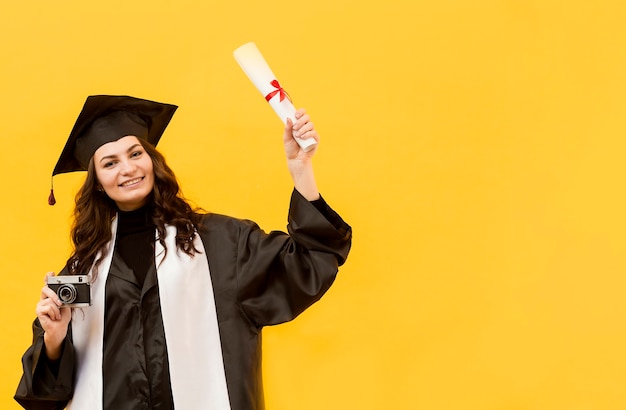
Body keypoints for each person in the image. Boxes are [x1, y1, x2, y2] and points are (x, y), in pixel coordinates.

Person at [14, 95, 352, 410]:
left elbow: (309, 260)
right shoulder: (83, 268)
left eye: (135, 154)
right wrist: (55, 339)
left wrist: (301, 168)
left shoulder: (220, 242)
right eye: (110, 162)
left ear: (152, 161)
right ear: (98, 182)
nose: (128, 169)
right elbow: (45, 395)